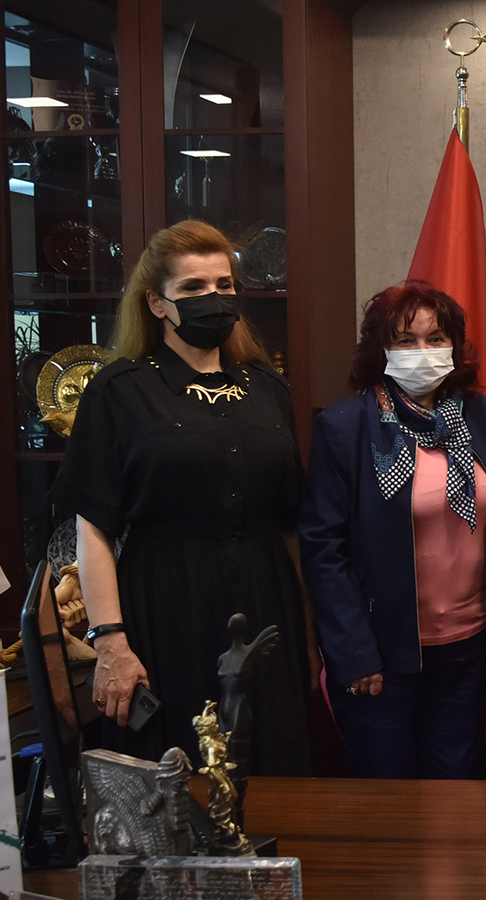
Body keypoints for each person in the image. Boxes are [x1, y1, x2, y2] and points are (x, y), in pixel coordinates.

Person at [51, 219, 313, 774]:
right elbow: (93, 527)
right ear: (156, 302)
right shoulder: (118, 391)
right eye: (193, 287)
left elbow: (292, 523)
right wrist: (110, 642)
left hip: (267, 603)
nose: (212, 297)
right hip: (165, 607)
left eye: (223, 285)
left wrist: (307, 636)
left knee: (274, 762)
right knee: (180, 767)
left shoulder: (268, 388)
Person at [298, 280, 486, 779]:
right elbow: (324, 549)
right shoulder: (345, 427)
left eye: (436, 338)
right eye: (405, 340)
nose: (423, 351)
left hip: (466, 646)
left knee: (455, 791)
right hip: (380, 651)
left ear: (454, 346)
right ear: (381, 351)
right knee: (388, 797)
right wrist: (354, 653)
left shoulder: (480, 415)